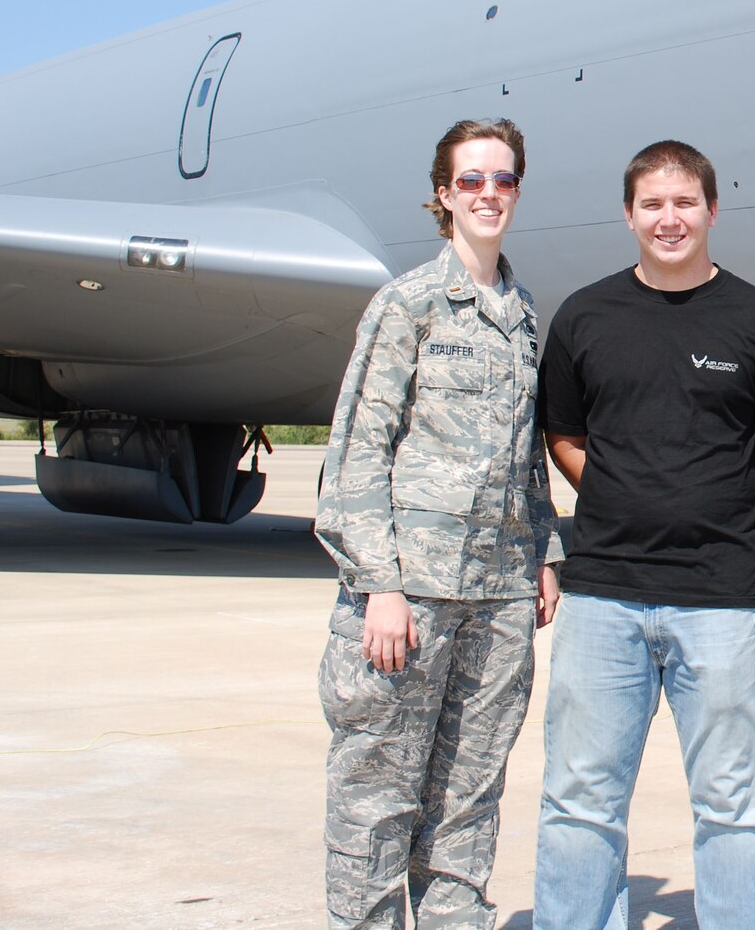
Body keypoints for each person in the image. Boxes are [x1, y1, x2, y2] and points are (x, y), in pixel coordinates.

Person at [534, 140, 755, 930]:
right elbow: (565, 435)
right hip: (602, 597)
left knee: (736, 803)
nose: (669, 218)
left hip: (719, 599)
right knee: (579, 797)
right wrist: (624, 496)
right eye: (652, 204)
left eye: (685, 202)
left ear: (712, 211)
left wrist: (717, 503)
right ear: (628, 215)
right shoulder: (586, 316)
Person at [315, 117, 563, 930]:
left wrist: (543, 554)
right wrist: (377, 583)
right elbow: (356, 453)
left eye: (502, 180)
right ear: (443, 195)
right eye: (471, 181)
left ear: (516, 191)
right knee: (377, 796)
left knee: (469, 796)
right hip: (409, 597)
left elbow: (525, 454)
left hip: (497, 599)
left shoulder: (523, 315)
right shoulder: (408, 305)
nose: (488, 194)